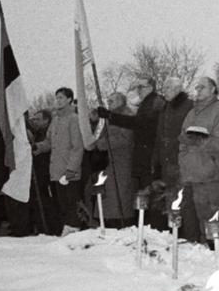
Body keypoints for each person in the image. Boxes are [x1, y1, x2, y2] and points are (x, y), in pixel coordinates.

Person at [97, 77, 166, 229]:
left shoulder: (155, 103)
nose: (139, 90)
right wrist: (109, 116)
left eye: (142, 87)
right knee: (144, 195)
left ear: (151, 87)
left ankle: (153, 228)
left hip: (149, 156)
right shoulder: (144, 105)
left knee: (150, 195)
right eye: (137, 87)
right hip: (141, 156)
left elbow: (137, 125)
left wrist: (111, 117)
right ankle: (146, 226)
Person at [178, 76, 219, 244]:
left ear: (213, 89)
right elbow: (183, 138)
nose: (198, 90)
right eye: (197, 87)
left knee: (214, 211)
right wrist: (184, 157)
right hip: (192, 171)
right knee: (200, 212)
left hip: (210, 170)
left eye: (202, 87)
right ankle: (205, 244)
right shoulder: (191, 112)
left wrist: (198, 140)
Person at [33, 87, 83, 236]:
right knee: (61, 204)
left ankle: (73, 234)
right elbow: (49, 141)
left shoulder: (74, 119)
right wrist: (38, 147)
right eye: (57, 97)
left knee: (71, 205)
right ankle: (68, 232)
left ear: (69, 99)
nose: (58, 100)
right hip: (56, 170)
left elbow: (77, 147)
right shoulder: (55, 119)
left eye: (61, 97)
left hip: (69, 172)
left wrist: (71, 170)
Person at [154, 77, 200, 242]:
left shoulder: (188, 106)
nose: (164, 89)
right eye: (164, 86)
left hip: (182, 161)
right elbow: (159, 137)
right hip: (167, 162)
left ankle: (191, 237)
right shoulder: (165, 109)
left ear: (177, 89)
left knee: (185, 201)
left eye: (168, 87)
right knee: (171, 200)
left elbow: (191, 135)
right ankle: (175, 235)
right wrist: (157, 161)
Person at [90, 93, 136, 228]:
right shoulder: (109, 117)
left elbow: (125, 138)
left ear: (121, 101)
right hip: (109, 163)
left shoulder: (125, 116)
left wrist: (103, 143)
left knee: (119, 197)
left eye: (112, 100)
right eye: (108, 100)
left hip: (122, 162)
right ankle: (108, 222)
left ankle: (120, 223)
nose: (109, 102)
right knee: (109, 197)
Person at [28, 109, 62, 235]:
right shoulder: (37, 133)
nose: (34, 121)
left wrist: (38, 147)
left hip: (49, 173)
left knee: (51, 203)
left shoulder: (50, 132)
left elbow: (50, 146)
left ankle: (54, 228)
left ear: (46, 120)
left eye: (37, 119)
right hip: (40, 172)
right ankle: (44, 227)